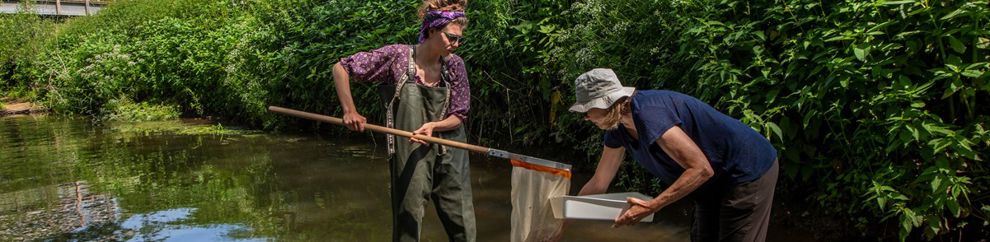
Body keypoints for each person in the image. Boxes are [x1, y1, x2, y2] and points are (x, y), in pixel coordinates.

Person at [569, 68, 779, 242]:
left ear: (607, 102)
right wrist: (562, 224)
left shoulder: (650, 115)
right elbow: (599, 183)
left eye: (587, 110)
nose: (586, 117)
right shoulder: (617, 129)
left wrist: (652, 206)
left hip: (746, 171)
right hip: (709, 182)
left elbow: (700, 169)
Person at [330, 1, 474, 241]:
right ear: (432, 30)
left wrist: (434, 126)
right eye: (451, 37)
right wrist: (350, 111)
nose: (456, 45)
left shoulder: (455, 66)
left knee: (463, 225)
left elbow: (458, 115)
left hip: (451, 151)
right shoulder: (397, 57)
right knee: (408, 219)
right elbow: (341, 68)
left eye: (459, 39)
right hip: (411, 149)